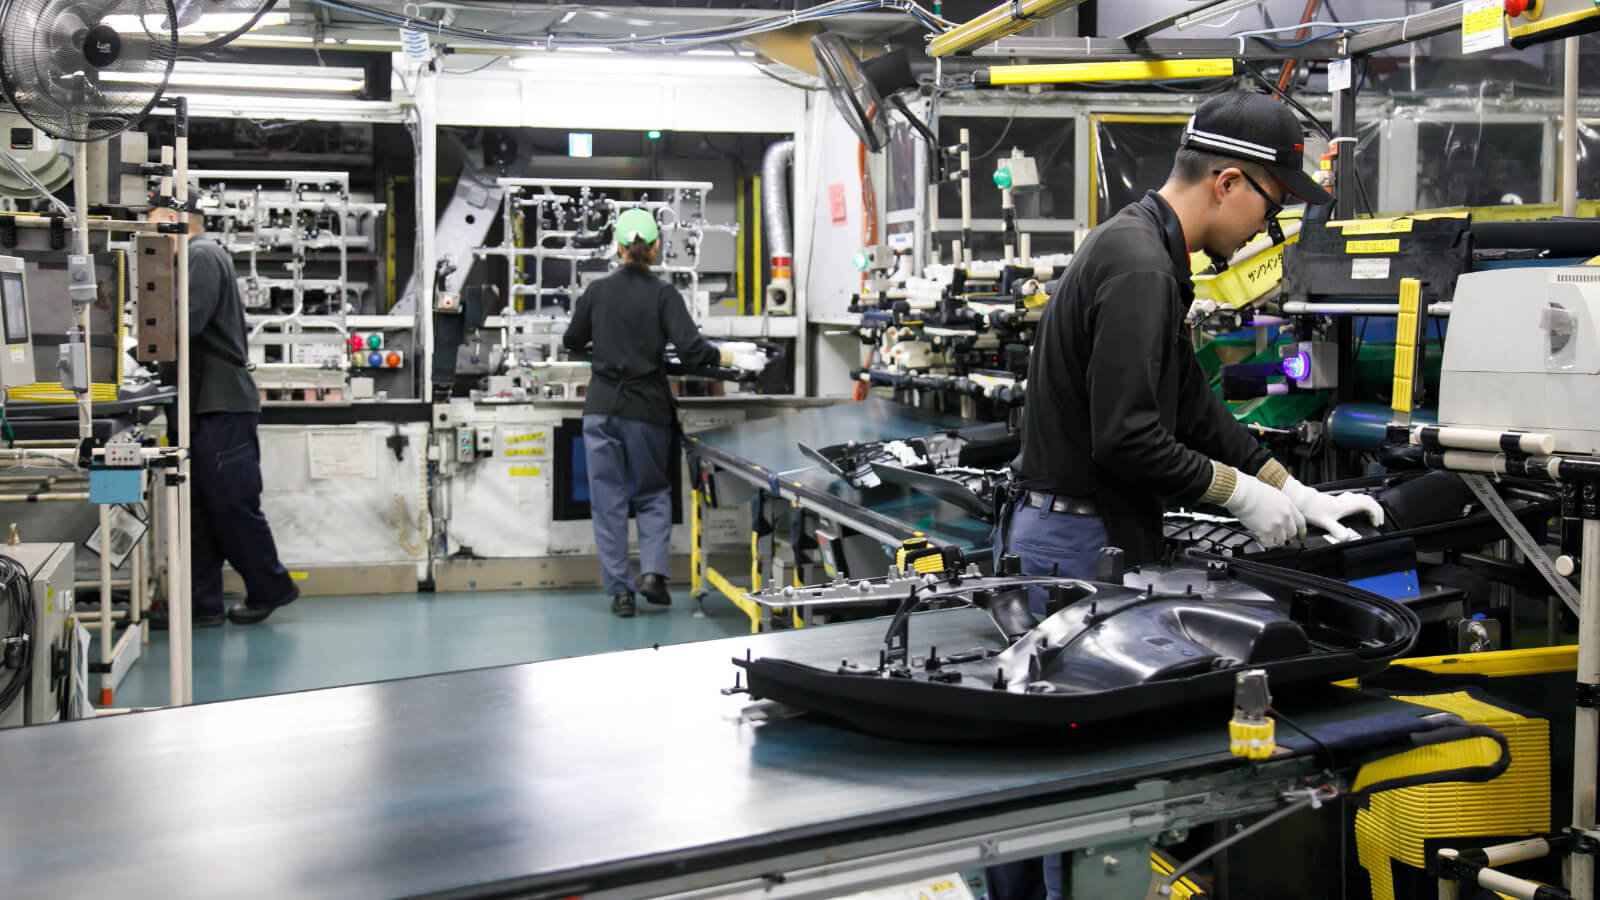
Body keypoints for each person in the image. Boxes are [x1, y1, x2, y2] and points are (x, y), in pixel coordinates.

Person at [990, 91, 1384, 900]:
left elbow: (1193, 409)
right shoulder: (1138, 265)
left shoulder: (1150, 254)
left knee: (1057, 789)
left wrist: (1295, 490)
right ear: (1229, 182)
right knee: (1072, 796)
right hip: (1074, 543)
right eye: (1271, 213)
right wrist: (1238, 496)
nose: (1261, 236)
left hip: (1080, 532)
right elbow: (1126, 436)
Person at [564, 208, 764, 618]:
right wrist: (733, 356)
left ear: (618, 248)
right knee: (653, 492)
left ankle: (621, 592)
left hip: (601, 409)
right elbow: (693, 352)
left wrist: (605, 350)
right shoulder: (663, 295)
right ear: (655, 247)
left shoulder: (597, 292)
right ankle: (653, 574)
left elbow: (572, 340)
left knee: (608, 501)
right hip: (646, 410)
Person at [145, 182, 298, 627]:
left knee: (231, 502)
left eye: (149, 215)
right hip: (196, 406)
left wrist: (137, 349)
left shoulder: (201, 255)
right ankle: (201, 602)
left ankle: (272, 586)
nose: (143, 225)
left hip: (220, 405)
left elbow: (181, 327)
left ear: (171, 216)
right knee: (198, 508)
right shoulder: (184, 260)